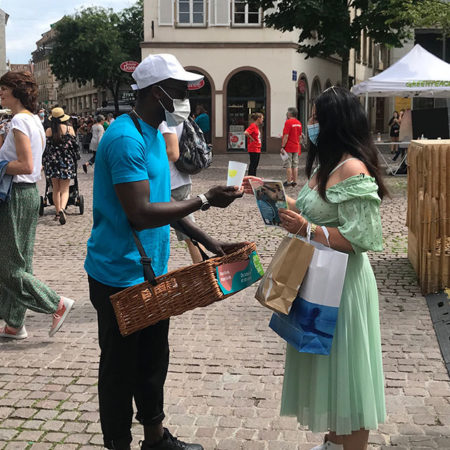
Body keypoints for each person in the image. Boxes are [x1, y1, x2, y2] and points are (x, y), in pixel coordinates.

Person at [84, 53, 244, 450]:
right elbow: (140, 214)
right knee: (120, 369)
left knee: (153, 361)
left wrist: (210, 241)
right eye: (178, 90)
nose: (185, 96)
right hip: (118, 274)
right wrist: (205, 199)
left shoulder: (153, 134)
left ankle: (155, 440)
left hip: (151, 269)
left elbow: (163, 204)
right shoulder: (124, 138)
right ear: (157, 93)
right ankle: (118, 443)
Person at [243, 86, 387, 450]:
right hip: (320, 278)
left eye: (316, 118)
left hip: (343, 284)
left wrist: (308, 230)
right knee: (330, 372)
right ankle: (334, 442)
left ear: (334, 122)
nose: (310, 124)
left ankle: (349, 443)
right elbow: (312, 208)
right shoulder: (327, 165)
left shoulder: (352, 167)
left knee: (349, 382)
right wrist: (269, 192)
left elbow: (362, 237)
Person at [0, 71, 74, 340]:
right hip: (27, 193)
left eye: (4, 88)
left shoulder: (19, 120)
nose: (0, 92)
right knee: (21, 262)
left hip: (16, 194)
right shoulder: (33, 120)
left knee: (8, 266)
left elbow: (25, 165)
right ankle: (15, 323)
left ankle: (55, 304)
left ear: (16, 90)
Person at [158, 120, 203, 264]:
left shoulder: (164, 119)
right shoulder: (177, 116)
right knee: (190, 233)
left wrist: (147, 161)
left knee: (190, 233)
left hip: (171, 183)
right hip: (179, 180)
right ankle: (205, 270)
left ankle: (205, 271)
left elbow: (172, 152)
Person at [43, 107, 80, 224]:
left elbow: (45, 149)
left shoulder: (48, 131)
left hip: (52, 163)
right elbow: (75, 147)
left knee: (55, 189)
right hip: (66, 163)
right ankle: (63, 209)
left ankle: (58, 212)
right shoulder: (69, 129)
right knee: (65, 189)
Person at [281, 107, 302, 187]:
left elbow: (286, 136)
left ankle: (289, 181)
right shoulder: (298, 123)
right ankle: (295, 182)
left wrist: (283, 146)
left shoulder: (288, 122)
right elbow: (300, 136)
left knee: (288, 165)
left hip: (289, 147)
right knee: (295, 165)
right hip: (296, 146)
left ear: (289, 114)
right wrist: (298, 144)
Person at [245, 112, 263, 176]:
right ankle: (251, 177)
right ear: (258, 119)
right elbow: (246, 132)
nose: (262, 120)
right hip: (253, 148)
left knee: (255, 164)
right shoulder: (253, 125)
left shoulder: (256, 126)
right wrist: (252, 139)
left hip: (257, 147)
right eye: (262, 118)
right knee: (253, 164)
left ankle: (253, 177)